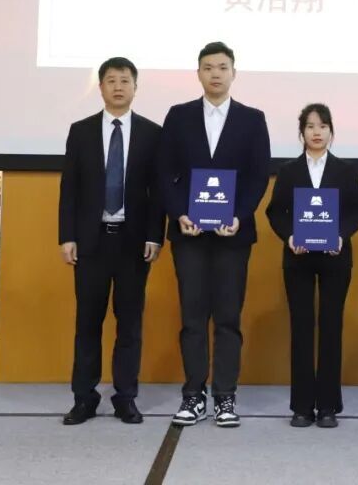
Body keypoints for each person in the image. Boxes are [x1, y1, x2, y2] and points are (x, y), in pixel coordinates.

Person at [158, 41, 271, 427]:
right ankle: (193, 395)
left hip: (232, 235)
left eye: (222, 67)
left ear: (233, 73)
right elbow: (164, 171)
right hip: (189, 233)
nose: (216, 74)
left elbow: (258, 175)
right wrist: (179, 213)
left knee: (227, 317)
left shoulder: (252, 119)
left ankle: (225, 396)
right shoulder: (179, 116)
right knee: (192, 317)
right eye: (208, 67)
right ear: (199, 74)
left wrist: (239, 215)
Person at [58, 56, 162, 426]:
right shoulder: (81, 131)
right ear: (100, 87)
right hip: (91, 242)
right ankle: (84, 398)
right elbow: (70, 188)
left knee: (129, 324)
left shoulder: (152, 133)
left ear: (135, 87)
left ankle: (125, 397)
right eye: (111, 80)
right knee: (88, 323)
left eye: (125, 80)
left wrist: (155, 235)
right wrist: (67, 236)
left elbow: (157, 191)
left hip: (133, 243)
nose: (118, 86)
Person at [266, 103, 358, 429]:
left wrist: (341, 235)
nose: (317, 132)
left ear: (331, 132)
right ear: (302, 133)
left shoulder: (345, 170)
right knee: (301, 328)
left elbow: (356, 210)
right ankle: (301, 406)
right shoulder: (288, 171)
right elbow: (275, 212)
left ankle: (328, 406)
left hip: (336, 257)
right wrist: (289, 235)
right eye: (310, 126)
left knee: (331, 327)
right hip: (298, 259)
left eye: (322, 126)